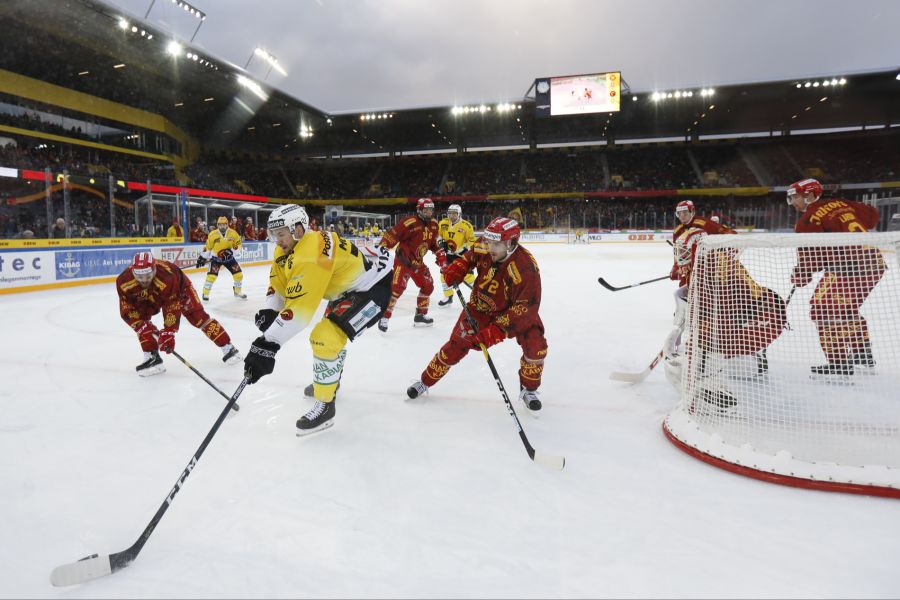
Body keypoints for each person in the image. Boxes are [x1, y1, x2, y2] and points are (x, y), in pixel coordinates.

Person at [242, 204, 395, 435]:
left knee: (324, 337)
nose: (276, 240)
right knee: (331, 338)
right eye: (273, 234)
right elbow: (278, 284)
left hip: (372, 289)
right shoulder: (288, 248)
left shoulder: (310, 254)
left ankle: (325, 407)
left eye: (280, 233)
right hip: (345, 289)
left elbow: (300, 313)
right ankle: (331, 382)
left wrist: (266, 345)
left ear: (298, 229)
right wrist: (270, 311)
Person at [406, 217, 547, 414]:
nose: (489, 247)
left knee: (536, 345)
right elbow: (469, 258)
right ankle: (425, 381)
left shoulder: (525, 268)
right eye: (488, 241)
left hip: (513, 312)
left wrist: (496, 331)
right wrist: (458, 268)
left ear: (511, 243)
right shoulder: (486, 244)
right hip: (480, 306)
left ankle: (529, 390)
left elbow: (526, 308)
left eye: (496, 244)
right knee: (455, 345)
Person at [787, 178, 884, 376]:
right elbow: (872, 216)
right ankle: (861, 352)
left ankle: (839, 362)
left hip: (847, 268)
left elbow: (811, 258)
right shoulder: (844, 203)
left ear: (811, 196)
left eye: (795, 197)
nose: (793, 202)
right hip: (875, 263)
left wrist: (801, 275)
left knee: (821, 310)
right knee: (846, 309)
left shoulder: (809, 219)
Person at [116, 252, 242, 376]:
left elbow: (171, 306)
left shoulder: (167, 277)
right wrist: (140, 326)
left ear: (154, 269)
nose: (144, 280)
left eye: (148, 275)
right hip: (151, 293)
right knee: (142, 324)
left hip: (180, 289)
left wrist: (168, 332)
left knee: (198, 317)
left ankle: (228, 347)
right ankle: (152, 357)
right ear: (132, 272)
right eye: (140, 276)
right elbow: (127, 308)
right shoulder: (123, 281)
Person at [377, 197, 441, 331]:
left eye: (431, 210)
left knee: (428, 286)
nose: (429, 212)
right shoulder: (409, 222)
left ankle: (420, 315)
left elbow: (432, 243)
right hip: (403, 262)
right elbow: (392, 235)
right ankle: (385, 316)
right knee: (396, 289)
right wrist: (382, 248)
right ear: (419, 210)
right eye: (426, 209)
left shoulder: (434, 224)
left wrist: (439, 252)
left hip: (418, 263)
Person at [196, 216, 246, 301]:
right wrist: (202, 257)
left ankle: (237, 291)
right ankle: (205, 293)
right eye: (220, 225)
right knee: (211, 276)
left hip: (229, 258)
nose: (222, 227)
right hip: (216, 259)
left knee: (239, 275)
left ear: (227, 224)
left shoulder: (233, 233)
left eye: (224, 225)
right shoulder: (213, 234)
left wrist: (232, 252)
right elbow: (208, 247)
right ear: (217, 225)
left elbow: (239, 245)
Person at [436, 204, 476, 307]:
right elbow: (438, 234)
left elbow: (472, 242)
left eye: (454, 213)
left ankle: (479, 294)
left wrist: (463, 249)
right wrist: (441, 242)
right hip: (448, 255)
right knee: (444, 275)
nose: (451, 216)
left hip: (462, 255)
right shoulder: (443, 223)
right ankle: (448, 297)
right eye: (450, 213)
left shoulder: (466, 226)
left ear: (459, 214)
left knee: (468, 276)